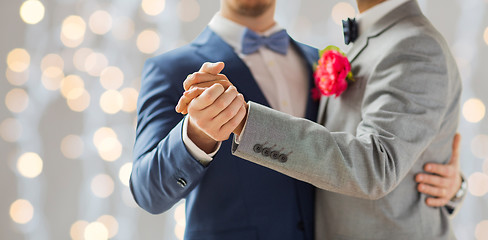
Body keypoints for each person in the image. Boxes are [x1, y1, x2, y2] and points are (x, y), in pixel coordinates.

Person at [178, 0, 465, 239]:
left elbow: (376, 165)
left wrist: (244, 121)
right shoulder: (370, 38)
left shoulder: (415, 46)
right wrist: (456, 186)